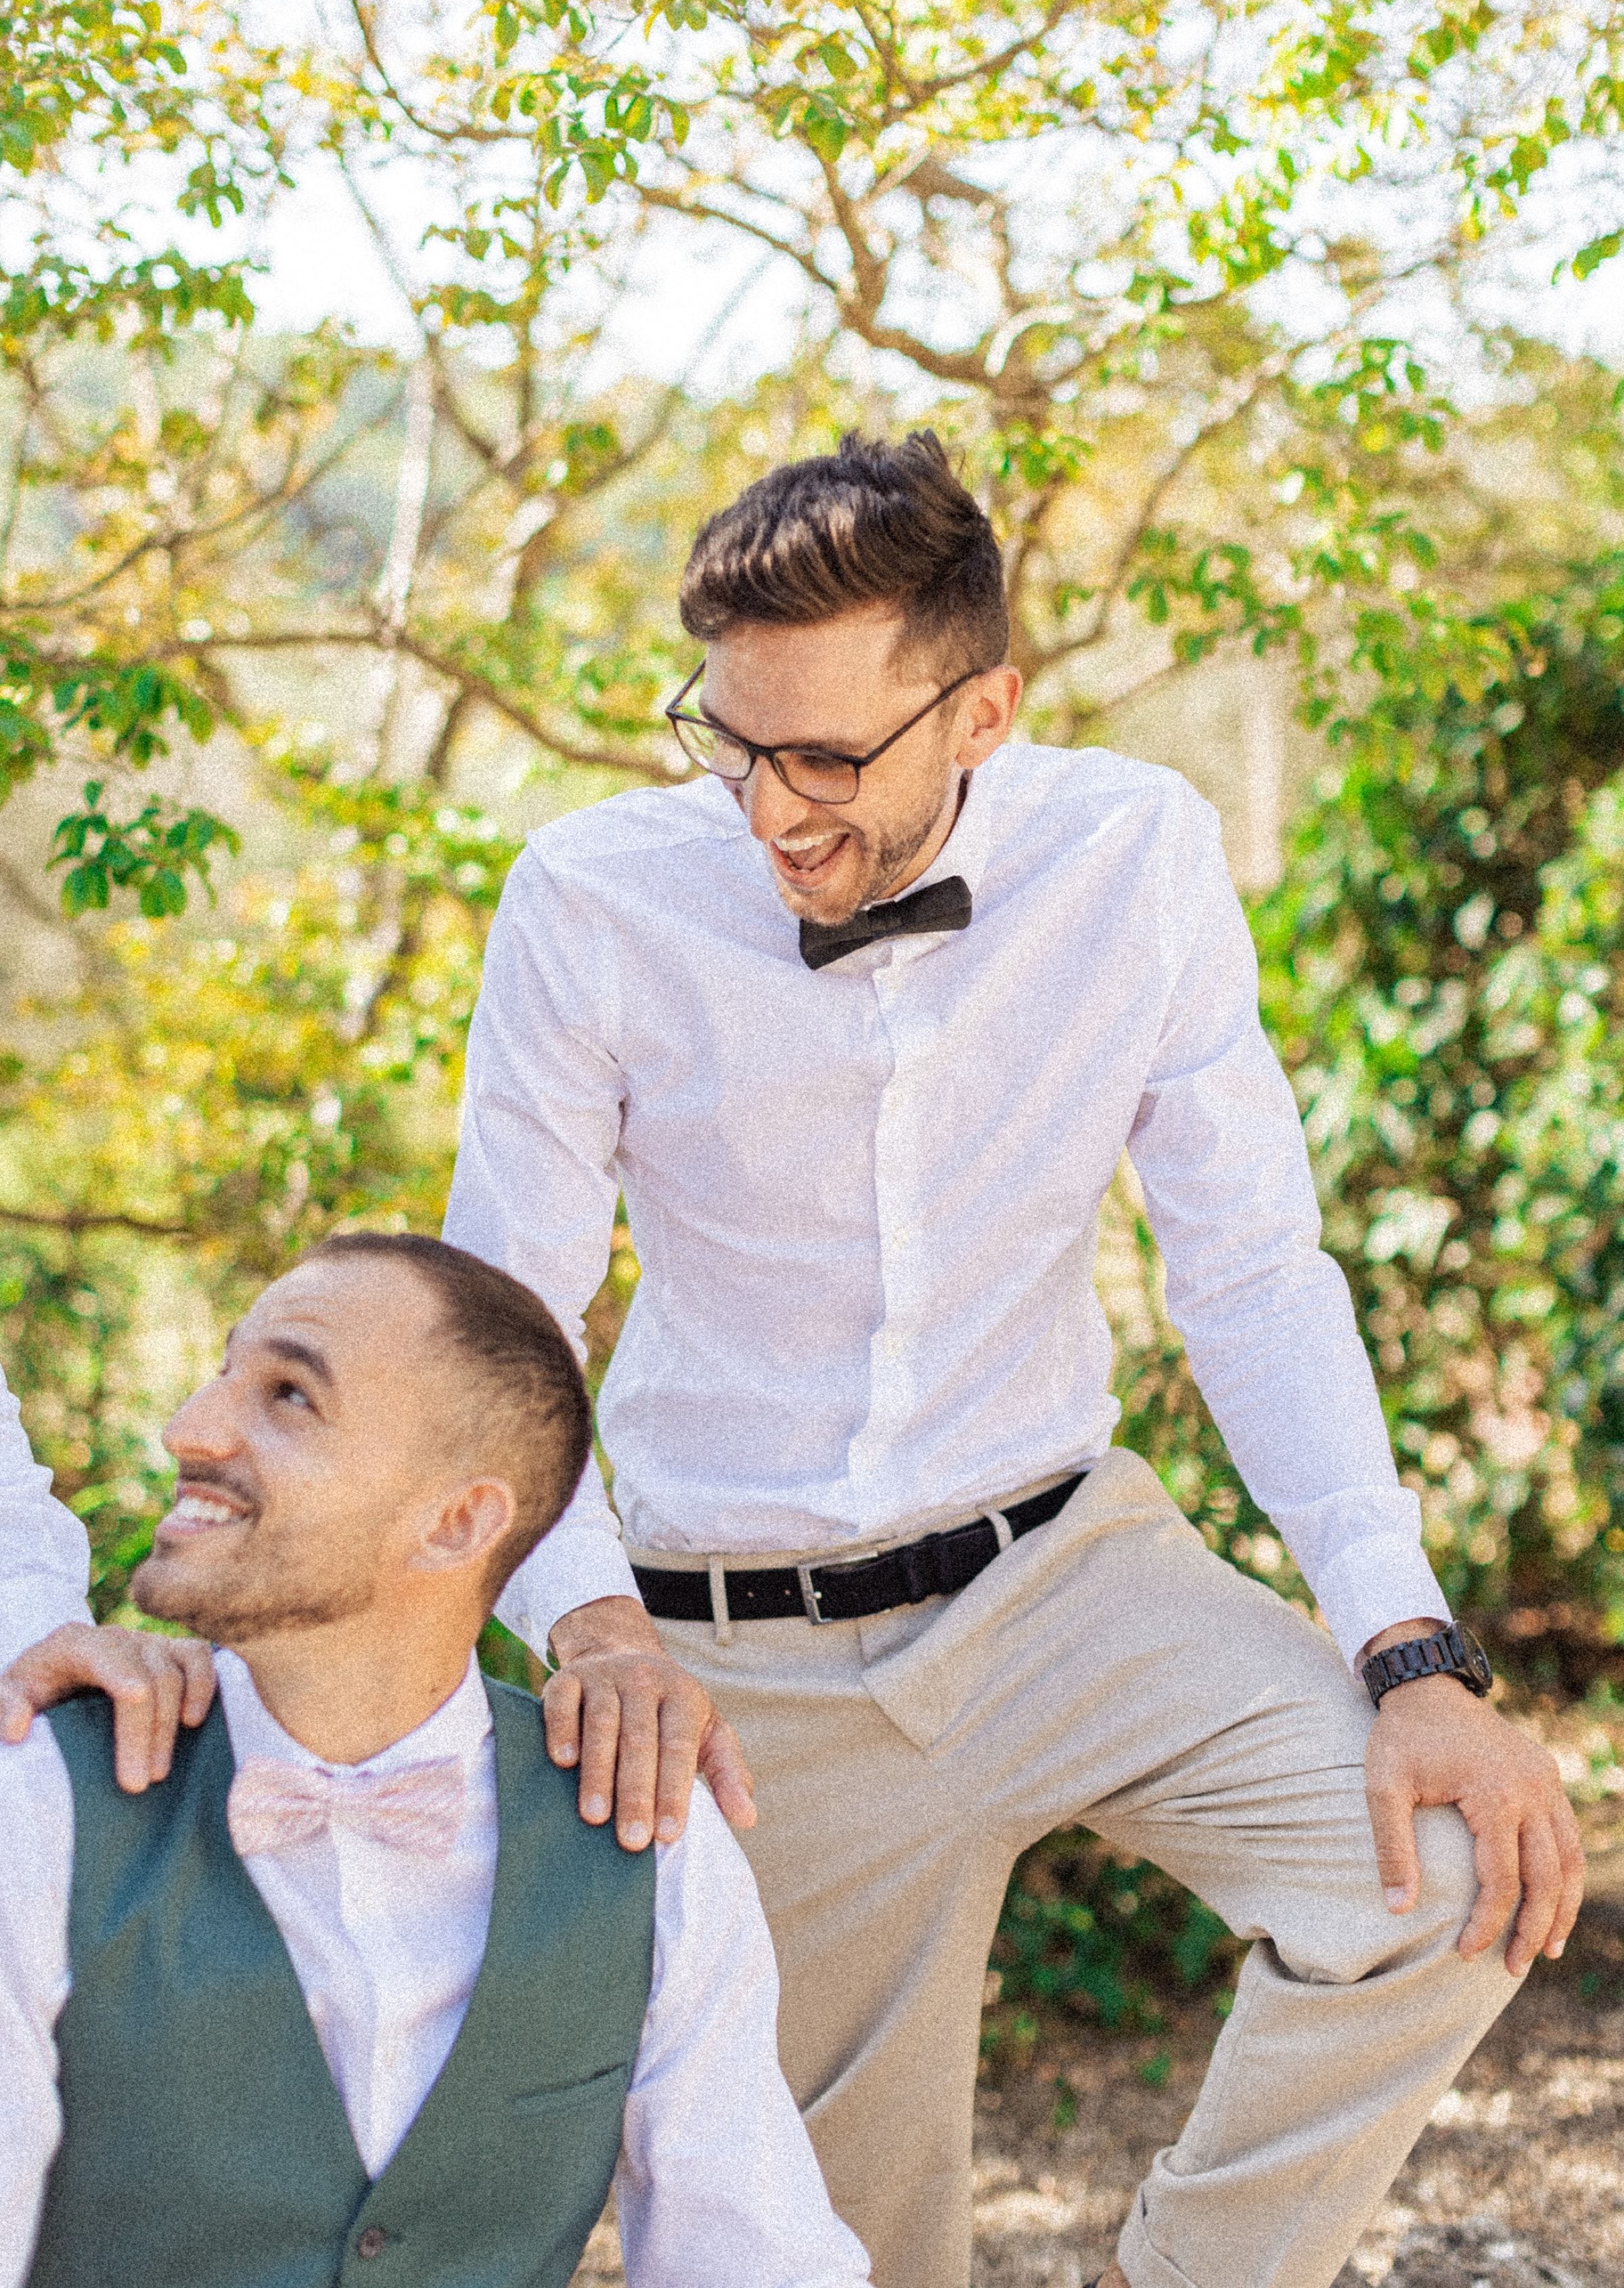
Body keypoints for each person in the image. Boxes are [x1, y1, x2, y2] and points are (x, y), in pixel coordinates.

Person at [5, 434, 1584, 2288]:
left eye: (830, 756)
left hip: (1074, 1569)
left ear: (985, 704)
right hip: (744, 1642)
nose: (773, 810)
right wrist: (588, 1621)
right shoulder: (592, 901)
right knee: (832, 2248)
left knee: (1462, 1871)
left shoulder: (1134, 851)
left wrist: (1404, 1641)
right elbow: (509, 1326)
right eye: (733, 743)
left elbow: (1251, 1265)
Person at [0, 1234, 870, 2288]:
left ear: (457, 1521)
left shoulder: (645, 1840)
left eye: (288, 1395)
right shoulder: (44, 1802)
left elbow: (752, 2260)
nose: (189, 1429)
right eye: (221, 1373)